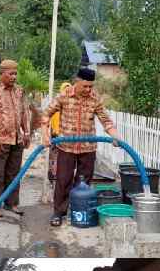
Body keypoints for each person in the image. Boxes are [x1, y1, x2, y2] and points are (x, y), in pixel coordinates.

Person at [42, 68, 121, 227]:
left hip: (88, 148)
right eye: (85, 86)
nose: (88, 90)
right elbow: (46, 114)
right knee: (63, 181)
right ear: (77, 82)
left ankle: (79, 211)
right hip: (66, 147)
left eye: (91, 86)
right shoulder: (64, 95)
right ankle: (59, 212)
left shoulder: (94, 98)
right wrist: (45, 133)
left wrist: (115, 135)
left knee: (84, 183)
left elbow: (106, 120)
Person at [0, 59, 30, 217]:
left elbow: (23, 112)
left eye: (15, 73)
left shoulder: (19, 90)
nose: (14, 77)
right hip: (0, 139)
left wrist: (27, 132)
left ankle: (12, 203)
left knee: (14, 173)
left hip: (16, 139)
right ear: (2, 74)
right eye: (11, 74)